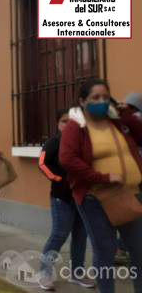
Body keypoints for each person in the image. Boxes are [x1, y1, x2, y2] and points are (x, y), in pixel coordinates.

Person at [59, 79, 142, 293]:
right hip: (96, 199)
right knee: (105, 252)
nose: (102, 101)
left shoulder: (116, 121)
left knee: (139, 250)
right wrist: (102, 177)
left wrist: (126, 115)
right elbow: (67, 159)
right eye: (95, 98)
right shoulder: (75, 126)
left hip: (129, 194)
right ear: (82, 101)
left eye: (105, 97)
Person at [37, 109, 93, 290]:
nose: (68, 125)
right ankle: (44, 274)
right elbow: (42, 163)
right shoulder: (53, 142)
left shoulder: (83, 142)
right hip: (62, 199)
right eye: (64, 121)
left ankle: (77, 275)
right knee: (59, 235)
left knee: (80, 236)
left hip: (82, 197)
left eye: (72, 121)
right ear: (57, 124)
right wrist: (57, 179)